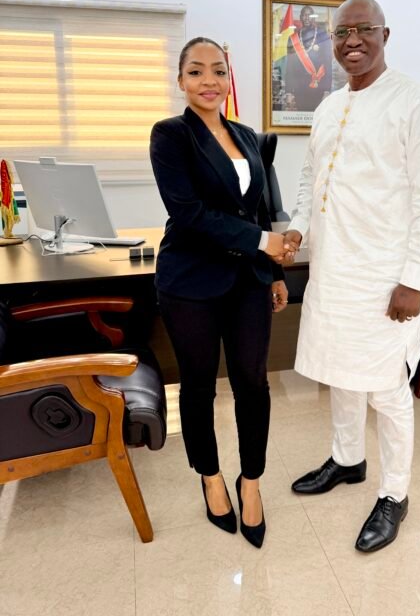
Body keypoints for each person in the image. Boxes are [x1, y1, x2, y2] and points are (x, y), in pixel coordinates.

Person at [283, 0, 420, 553]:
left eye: (364, 30)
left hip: (385, 277)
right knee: (341, 374)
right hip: (333, 270)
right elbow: (310, 178)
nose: (352, 41)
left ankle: (395, 494)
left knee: (386, 389)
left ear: (385, 34)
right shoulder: (328, 106)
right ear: (331, 41)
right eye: (342, 33)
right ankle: (347, 459)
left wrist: (415, 279)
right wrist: (297, 229)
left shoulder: (417, 103)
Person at [150, 37, 290, 549]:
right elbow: (189, 213)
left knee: (254, 382)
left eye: (218, 70)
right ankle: (210, 478)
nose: (208, 80)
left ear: (228, 78)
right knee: (198, 386)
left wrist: (274, 271)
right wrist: (261, 241)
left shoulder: (248, 136)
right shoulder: (171, 135)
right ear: (181, 80)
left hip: (249, 280)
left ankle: (251, 482)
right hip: (191, 281)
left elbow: (259, 209)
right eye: (196, 71)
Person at [283, 5, 333, 113]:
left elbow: (328, 64)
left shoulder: (323, 36)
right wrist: (289, 92)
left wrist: (327, 90)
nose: (307, 18)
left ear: (313, 18)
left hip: (319, 87)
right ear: (300, 17)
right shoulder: (293, 38)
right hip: (299, 89)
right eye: (304, 15)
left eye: (309, 15)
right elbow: (290, 68)